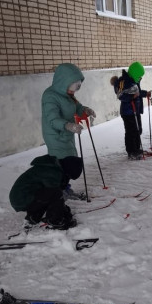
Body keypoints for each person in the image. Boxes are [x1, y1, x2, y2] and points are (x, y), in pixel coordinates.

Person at [41, 63, 96, 200]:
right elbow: (52, 119)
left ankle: (64, 188)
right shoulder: (50, 96)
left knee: (68, 162)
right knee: (62, 164)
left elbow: (77, 107)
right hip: (56, 135)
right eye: (73, 86)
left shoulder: (67, 94)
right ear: (63, 82)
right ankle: (59, 191)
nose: (74, 90)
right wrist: (68, 126)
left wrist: (85, 110)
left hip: (67, 133)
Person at [9, 155, 83, 230]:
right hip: (22, 198)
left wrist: (65, 211)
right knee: (55, 193)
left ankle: (34, 217)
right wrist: (64, 214)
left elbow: (46, 196)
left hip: (20, 197)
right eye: (69, 176)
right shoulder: (53, 172)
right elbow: (56, 196)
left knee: (46, 194)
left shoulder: (53, 167)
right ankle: (56, 221)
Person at [110, 62, 147, 160]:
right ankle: (131, 151)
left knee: (138, 130)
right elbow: (120, 95)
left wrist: (145, 93)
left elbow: (137, 92)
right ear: (134, 73)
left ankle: (137, 149)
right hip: (128, 112)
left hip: (136, 110)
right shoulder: (124, 82)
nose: (140, 78)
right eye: (139, 76)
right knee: (131, 131)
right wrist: (131, 97)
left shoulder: (134, 80)